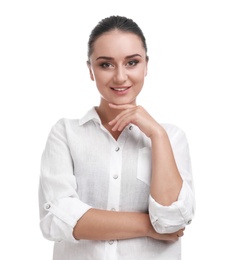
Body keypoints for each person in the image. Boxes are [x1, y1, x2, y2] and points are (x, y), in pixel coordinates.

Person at [39, 15, 195, 260]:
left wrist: (157, 135)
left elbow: (170, 221)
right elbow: (57, 220)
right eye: (106, 64)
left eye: (132, 62)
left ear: (146, 65)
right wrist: (147, 226)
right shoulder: (66, 134)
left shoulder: (171, 138)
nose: (120, 77)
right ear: (90, 69)